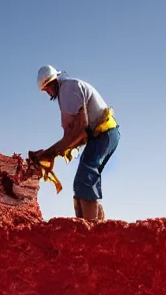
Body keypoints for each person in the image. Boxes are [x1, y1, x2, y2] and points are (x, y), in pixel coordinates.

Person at [30, 66, 119, 223]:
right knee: (81, 183)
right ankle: (92, 223)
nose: (48, 92)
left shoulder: (68, 89)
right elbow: (70, 136)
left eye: (48, 88)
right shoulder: (65, 94)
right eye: (45, 90)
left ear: (54, 81)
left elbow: (79, 131)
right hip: (101, 136)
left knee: (85, 177)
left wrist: (48, 153)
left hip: (104, 134)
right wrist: (49, 153)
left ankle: (91, 229)